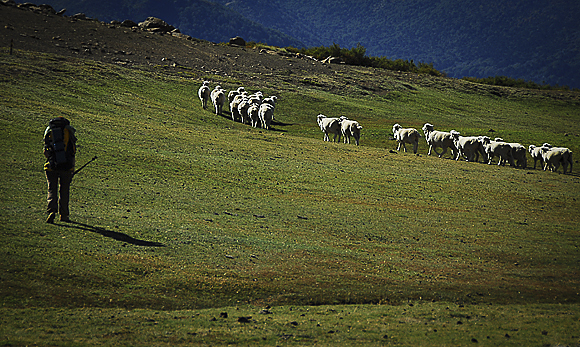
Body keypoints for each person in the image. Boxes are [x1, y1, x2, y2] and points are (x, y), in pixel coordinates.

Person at [43, 117, 77, 223]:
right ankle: (64, 215)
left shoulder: (49, 132)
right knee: (64, 191)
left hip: (51, 166)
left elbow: (45, 151)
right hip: (66, 167)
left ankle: (51, 211)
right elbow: (73, 151)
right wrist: (72, 168)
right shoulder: (69, 132)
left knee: (52, 189)